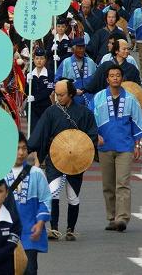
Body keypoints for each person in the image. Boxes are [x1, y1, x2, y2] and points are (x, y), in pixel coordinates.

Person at [28, 80, 98, 241]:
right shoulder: (51, 112)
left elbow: (92, 135)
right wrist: (28, 148)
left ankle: (71, 229)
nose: (58, 98)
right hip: (55, 157)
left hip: (76, 160)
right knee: (52, 193)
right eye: (56, 94)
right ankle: (53, 228)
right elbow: (40, 133)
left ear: (71, 94)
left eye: (61, 95)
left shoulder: (84, 113)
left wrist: (84, 147)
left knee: (73, 196)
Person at [93, 65, 142, 232]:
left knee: (122, 183)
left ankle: (122, 218)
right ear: (107, 79)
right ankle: (111, 217)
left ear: (122, 78)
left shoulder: (131, 99)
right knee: (108, 185)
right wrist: (95, 135)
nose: (115, 78)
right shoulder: (98, 98)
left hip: (125, 146)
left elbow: (137, 122)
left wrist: (137, 145)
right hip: (105, 146)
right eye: (112, 75)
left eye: (118, 75)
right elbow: (90, 120)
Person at [4, 132, 52, 275]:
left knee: (29, 270)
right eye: (16, 148)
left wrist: (40, 223)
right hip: (5, 233)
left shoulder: (36, 173)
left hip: (29, 232)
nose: (21, 152)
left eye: (24, 148)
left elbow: (45, 199)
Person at [56, 37, 97, 108]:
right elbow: (57, 81)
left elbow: (96, 80)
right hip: (72, 99)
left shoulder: (90, 62)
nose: (82, 50)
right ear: (73, 49)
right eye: (79, 48)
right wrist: (73, 91)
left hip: (89, 99)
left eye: (83, 48)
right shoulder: (66, 62)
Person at [28, 47, 54, 131]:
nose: (39, 61)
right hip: (33, 107)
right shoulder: (30, 73)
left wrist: (35, 98)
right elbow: (26, 91)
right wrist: (27, 82)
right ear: (34, 60)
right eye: (37, 58)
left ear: (45, 60)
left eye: (42, 58)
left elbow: (48, 90)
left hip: (45, 106)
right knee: (33, 130)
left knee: (44, 130)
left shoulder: (50, 74)